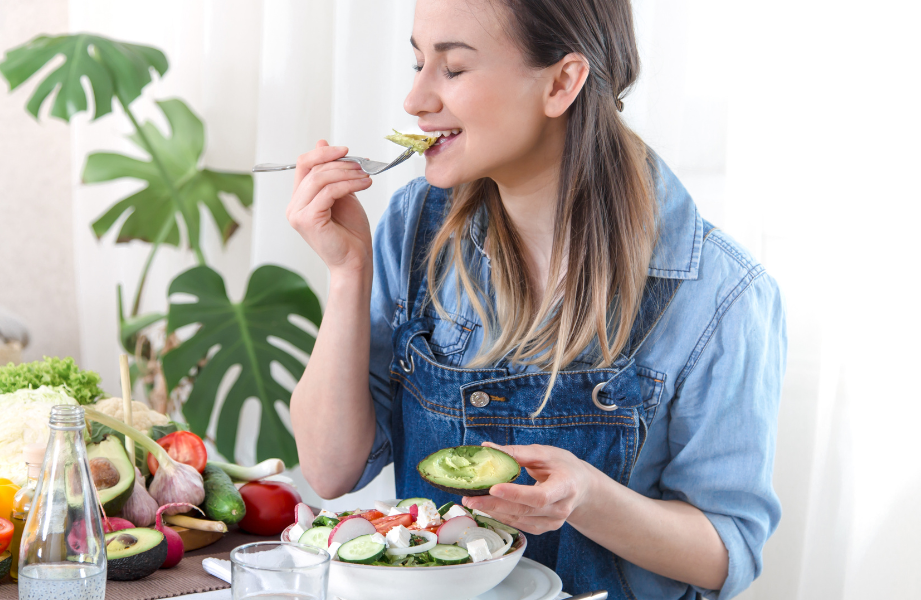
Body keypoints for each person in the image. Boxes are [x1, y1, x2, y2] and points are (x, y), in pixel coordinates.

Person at [286, 1, 786, 598]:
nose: (414, 100)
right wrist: (348, 272)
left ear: (561, 83)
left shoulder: (721, 292)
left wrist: (589, 498)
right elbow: (330, 469)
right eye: (419, 63)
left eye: (453, 68)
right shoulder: (414, 227)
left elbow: (727, 553)